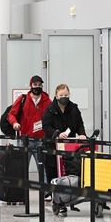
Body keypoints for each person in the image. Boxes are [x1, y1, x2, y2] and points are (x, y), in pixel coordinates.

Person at [42, 84, 87, 213]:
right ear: (56, 96)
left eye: (66, 95)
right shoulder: (50, 109)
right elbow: (46, 126)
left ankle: (68, 198)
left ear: (69, 95)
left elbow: (79, 124)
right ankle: (57, 201)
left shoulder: (74, 108)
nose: (64, 97)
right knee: (54, 173)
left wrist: (82, 134)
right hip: (52, 146)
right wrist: (56, 133)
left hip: (69, 146)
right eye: (61, 95)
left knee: (69, 172)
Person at [7, 75, 52, 187]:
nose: (37, 87)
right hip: (24, 140)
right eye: (35, 84)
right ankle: (20, 191)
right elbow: (11, 114)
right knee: (21, 167)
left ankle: (46, 192)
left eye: (39, 85)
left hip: (41, 140)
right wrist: (15, 123)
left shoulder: (47, 101)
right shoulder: (23, 99)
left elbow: (52, 117)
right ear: (30, 85)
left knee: (43, 168)